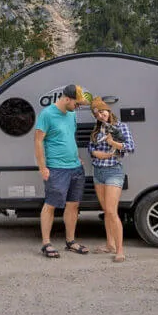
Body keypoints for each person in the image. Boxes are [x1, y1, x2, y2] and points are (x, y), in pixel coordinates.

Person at [34, 83, 91, 258]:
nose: (78, 107)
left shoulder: (72, 114)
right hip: (56, 168)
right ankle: (46, 244)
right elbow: (38, 141)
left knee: (73, 205)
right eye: (77, 103)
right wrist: (43, 167)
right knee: (50, 205)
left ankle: (70, 241)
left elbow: (69, 135)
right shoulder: (47, 114)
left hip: (75, 167)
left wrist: (76, 155)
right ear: (67, 99)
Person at [87, 97, 134, 263]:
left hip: (114, 171)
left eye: (102, 111)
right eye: (97, 114)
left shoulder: (121, 127)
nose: (100, 115)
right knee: (106, 211)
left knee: (112, 211)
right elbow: (92, 151)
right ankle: (110, 245)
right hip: (98, 172)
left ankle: (120, 250)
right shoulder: (96, 130)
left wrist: (112, 141)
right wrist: (109, 153)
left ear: (108, 110)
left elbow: (130, 147)